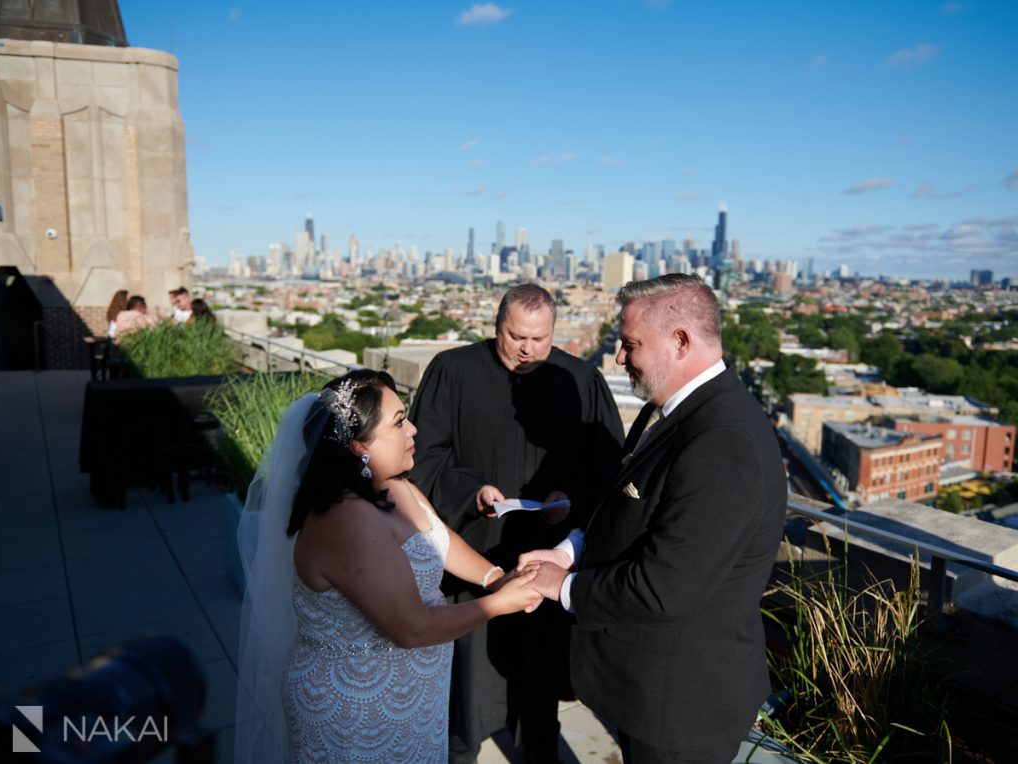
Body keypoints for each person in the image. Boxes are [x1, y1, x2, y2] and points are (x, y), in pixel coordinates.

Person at [520, 274, 787, 763]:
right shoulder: (667, 407)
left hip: (682, 705)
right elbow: (625, 507)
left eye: (630, 345)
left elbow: (665, 588)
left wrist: (561, 586)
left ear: (680, 341)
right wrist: (568, 550)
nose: (620, 358)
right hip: (647, 688)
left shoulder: (725, 443)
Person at [235, 369, 542, 764]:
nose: (413, 429)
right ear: (359, 446)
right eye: (399, 422)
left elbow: (438, 539)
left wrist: (495, 577)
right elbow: (412, 628)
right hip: (356, 709)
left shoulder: (394, 486)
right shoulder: (346, 520)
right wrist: (500, 604)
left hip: (413, 693)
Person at [409, 284, 624, 763]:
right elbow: (424, 457)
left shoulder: (580, 380)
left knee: (540, 672)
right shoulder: (453, 370)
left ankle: (538, 748)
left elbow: (608, 473)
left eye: (540, 339)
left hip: (548, 558)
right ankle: (459, 748)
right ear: (496, 326)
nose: (528, 349)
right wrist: (472, 492)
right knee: (468, 678)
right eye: (516, 336)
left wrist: (569, 497)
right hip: (474, 555)